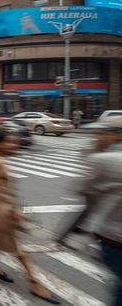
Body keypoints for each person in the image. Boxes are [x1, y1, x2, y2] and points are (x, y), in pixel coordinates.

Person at [0, 131, 60, 304]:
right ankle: (34, 283)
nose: (14, 145)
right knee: (20, 251)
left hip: (3, 209)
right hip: (2, 212)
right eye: (10, 142)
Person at [77, 118, 122, 306]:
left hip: (110, 237)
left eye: (102, 133)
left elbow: (86, 191)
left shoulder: (103, 159)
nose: (97, 137)